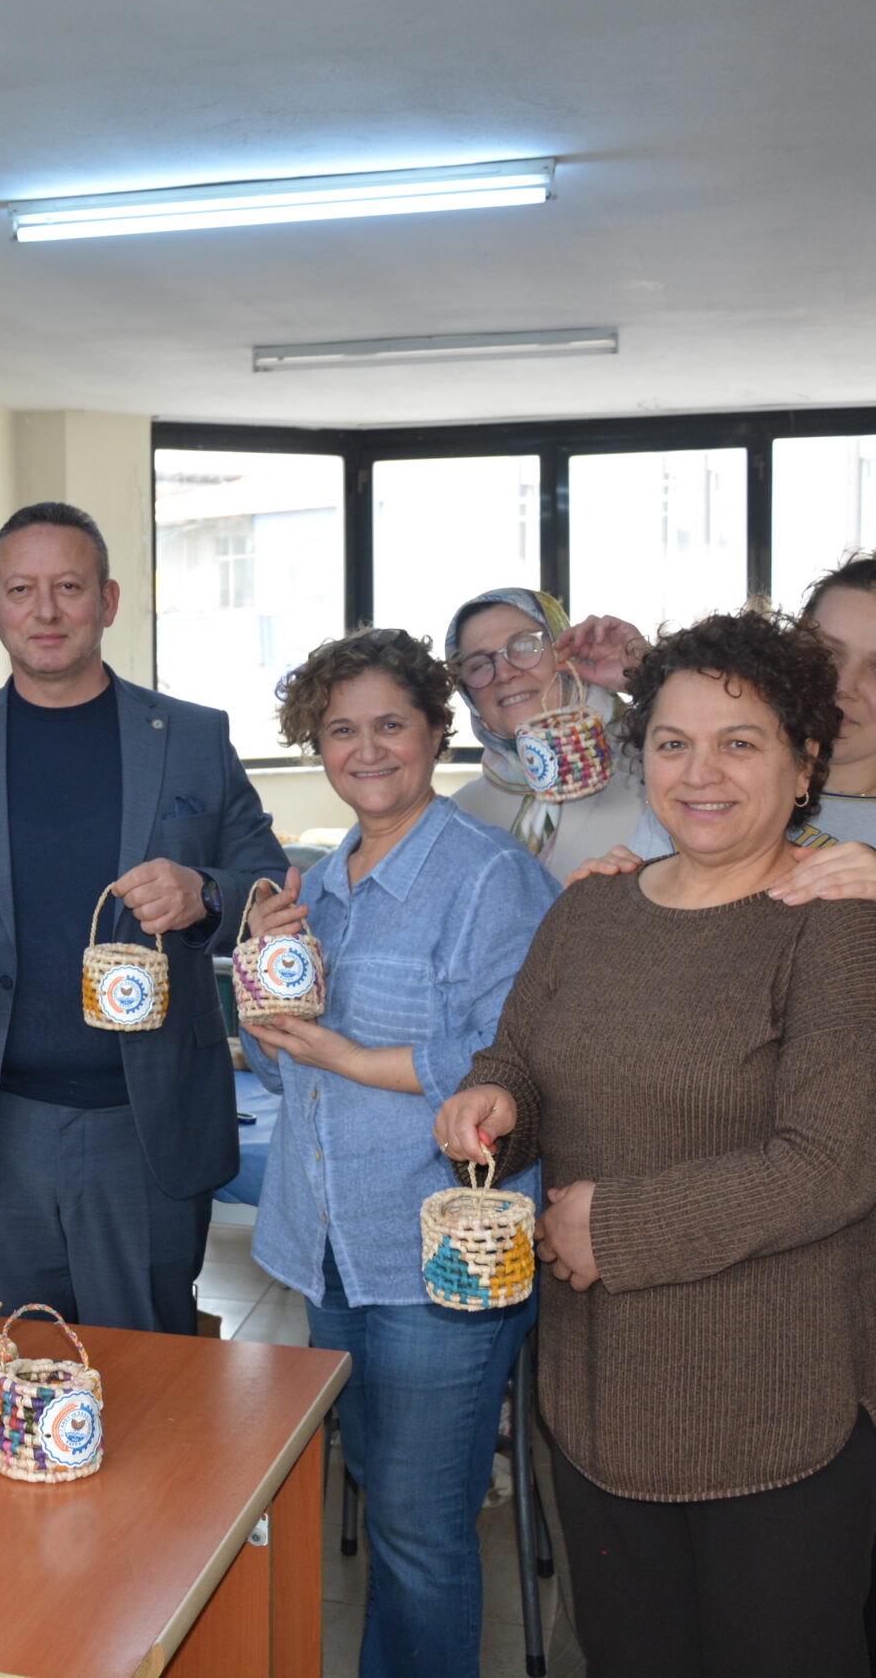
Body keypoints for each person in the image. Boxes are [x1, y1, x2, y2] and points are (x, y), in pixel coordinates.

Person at [435, 608, 876, 1678]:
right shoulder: (592, 909)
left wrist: (614, 1227)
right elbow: (520, 1058)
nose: (700, 773)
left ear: (803, 764)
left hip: (778, 1404)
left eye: (739, 743)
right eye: (671, 742)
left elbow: (833, 1161)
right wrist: (492, 1104)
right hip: (601, 1391)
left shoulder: (834, 927)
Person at [566, 531, 876, 1677]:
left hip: (869, 1202)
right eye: (828, 653)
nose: (850, 687)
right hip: (684, 1207)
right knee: (685, 1566)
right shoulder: (703, 800)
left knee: (817, 1562)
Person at [0, 501, 290, 1332]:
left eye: (69, 587)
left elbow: (269, 884)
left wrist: (205, 893)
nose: (45, 610)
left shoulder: (192, 737)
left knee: (152, 1379)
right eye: (21, 589)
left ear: (107, 600)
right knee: (3, 1372)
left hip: (145, 1129)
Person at [240, 628, 557, 1678]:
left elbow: (513, 1061)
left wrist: (340, 1050)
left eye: (390, 724)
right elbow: (284, 1068)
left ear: (434, 732)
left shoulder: (488, 876)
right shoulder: (319, 881)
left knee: (420, 1529)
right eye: (341, 730)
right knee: (381, 1492)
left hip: (438, 1253)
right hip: (333, 1245)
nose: (366, 749)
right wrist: (262, 985)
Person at [444, 588, 655, 868]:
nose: (505, 673)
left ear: (565, 649)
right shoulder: (461, 817)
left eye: (524, 646)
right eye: (479, 665)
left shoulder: (653, 758)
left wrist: (646, 675)